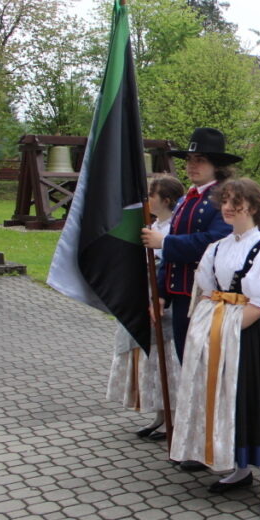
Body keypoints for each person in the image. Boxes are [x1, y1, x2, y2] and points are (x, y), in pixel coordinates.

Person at [170, 178, 260, 520]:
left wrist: (223, 331)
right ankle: (240, 470)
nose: (227, 207)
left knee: (258, 404)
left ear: (253, 207)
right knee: (229, 401)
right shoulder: (218, 247)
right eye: (225, 201)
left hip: (251, 336)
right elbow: (208, 290)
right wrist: (210, 331)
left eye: (235, 202)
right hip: (223, 331)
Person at [144, 127, 237, 366]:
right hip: (181, 294)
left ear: (216, 164)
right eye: (189, 160)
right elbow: (170, 256)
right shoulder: (186, 199)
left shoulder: (225, 199)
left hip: (208, 296)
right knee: (186, 361)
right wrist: (162, 294)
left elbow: (215, 241)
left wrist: (165, 242)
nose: (192, 166)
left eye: (200, 160)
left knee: (206, 365)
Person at [108, 175, 185, 440]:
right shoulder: (152, 225)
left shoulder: (173, 229)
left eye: (151, 195)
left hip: (165, 299)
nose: (147, 200)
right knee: (152, 358)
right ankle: (160, 414)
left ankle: (173, 416)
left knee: (167, 358)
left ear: (166, 200)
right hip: (146, 297)